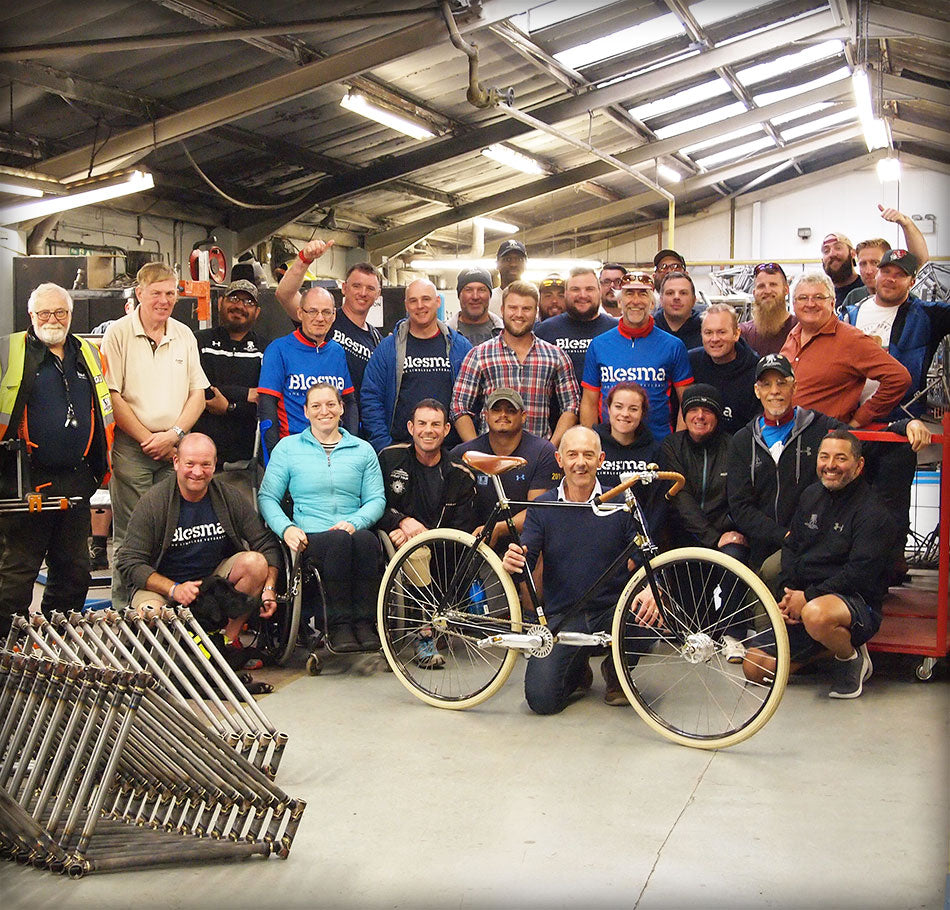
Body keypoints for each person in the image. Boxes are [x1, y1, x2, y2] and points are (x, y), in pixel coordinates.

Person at [501, 426, 661, 713]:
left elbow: (650, 556)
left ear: (600, 460)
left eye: (588, 455)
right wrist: (513, 562)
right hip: (564, 616)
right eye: (572, 454)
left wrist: (652, 587)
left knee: (649, 608)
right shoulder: (543, 506)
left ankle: (616, 672)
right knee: (541, 701)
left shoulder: (623, 502)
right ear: (559, 460)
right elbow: (526, 557)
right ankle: (577, 669)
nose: (580, 462)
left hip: (614, 610)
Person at [742, 431, 898, 699]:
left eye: (841, 458)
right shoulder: (810, 496)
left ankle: (849, 656)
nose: (830, 465)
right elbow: (792, 547)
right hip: (806, 598)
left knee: (816, 614)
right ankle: (828, 648)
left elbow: (859, 574)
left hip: (853, 601)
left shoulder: (873, 513)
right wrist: (789, 594)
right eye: (824, 457)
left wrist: (808, 599)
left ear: (859, 465)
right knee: (755, 669)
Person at [0, 283, 114, 636]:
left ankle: (55, 645)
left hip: (77, 479)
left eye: (60, 312)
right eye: (44, 313)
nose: (53, 319)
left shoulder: (88, 354)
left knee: (75, 570)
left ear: (70, 315)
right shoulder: (8, 350)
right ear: (31, 316)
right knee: (18, 571)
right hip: (24, 480)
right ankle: (7, 647)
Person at [115, 432, 280, 659]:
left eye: (205, 465)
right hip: (162, 587)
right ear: (176, 463)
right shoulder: (153, 502)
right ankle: (172, 655)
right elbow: (128, 562)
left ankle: (226, 642)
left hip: (211, 583)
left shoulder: (228, 497)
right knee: (150, 613)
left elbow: (265, 544)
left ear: (214, 465)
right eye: (190, 464)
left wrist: (269, 588)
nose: (197, 472)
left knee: (256, 562)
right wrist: (174, 589)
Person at [101, 262, 208, 609]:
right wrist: (149, 437)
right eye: (156, 293)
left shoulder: (184, 334)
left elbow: (198, 393)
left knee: (174, 530)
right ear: (139, 293)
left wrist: (175, 435)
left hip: (176, 447)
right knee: (132, 534)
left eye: (170, 293)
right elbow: (111, 395)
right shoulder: (117, 334)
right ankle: (124, 613)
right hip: (134, 448)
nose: (164, 300)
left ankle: (165, 608)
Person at [844, 249, 950, 580]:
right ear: (874, 274)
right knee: (847, 497)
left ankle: (889, 569)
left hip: (901, 422)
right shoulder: (848, 312)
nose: (889, 278)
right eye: (885, 270)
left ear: (911, 281)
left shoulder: (927, 315)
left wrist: (905, 223)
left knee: (890, 500)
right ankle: (851, 571)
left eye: (899, 274)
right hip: (851, 421)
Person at [258, 383, 385, 653]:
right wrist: (286, 528)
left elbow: (376, 499)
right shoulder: (288, 448)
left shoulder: (363, 450)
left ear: (341, 408)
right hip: (310, 536)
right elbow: (267, 498)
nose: (324, 411)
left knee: (367, 542)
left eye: (330, 404)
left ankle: (365, 623)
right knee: (339, 541)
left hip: (353, 529)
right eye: (316, 406)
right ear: (305, 412)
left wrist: (355, 522)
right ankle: (337, 625)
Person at [378, 399, 478, 668]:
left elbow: (462, 529)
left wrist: (422, 535)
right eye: (421, 423)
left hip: (444, 548)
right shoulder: (389, 459)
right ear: (411, 427)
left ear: (447, 430)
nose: (428, 430)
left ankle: (445, 618)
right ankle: (424, 634)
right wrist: (399, 522)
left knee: (429, 551)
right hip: (393, 541)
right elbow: (373, 504)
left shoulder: (461, 474)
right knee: (417, 554)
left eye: (435, 424)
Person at [659, 384, 747, 661]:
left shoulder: (734, 445)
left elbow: (738, 496)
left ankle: (734, 634)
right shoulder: (671, 445)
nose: (699, 416)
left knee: (735, 555)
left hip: (724, 535)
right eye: (693, 410)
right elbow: (678, 497)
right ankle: (706, 631)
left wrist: (723, 532)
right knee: (696, 626)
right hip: (684, 537)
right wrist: (710, 537)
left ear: (718, 416)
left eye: (707, 410)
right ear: (684, 415)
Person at [452, 280, 579, 447]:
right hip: (491, 457)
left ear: (536, 312)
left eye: (526, 308)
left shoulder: (556, 356)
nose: (519, 314)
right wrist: (478, 450)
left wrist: (550, 449)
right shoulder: (479, 355)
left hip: (539, 458)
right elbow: (458, 406)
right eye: (513, 308)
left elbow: (572, 405)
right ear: (503, 310)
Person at [780, 271, 910, 428]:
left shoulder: (851, 339)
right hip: (790, 436)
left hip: (826, 442)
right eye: (802, 298)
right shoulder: (793, 335)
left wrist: (858, 421)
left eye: (819, 297)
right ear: (794, 304)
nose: (810, 303)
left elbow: (899, 378)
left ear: (832, 303)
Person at [580, 269, 693, 443]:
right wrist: (590, 445)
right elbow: (589, 402)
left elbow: (686, 402)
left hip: (658, 446)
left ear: (653, 303)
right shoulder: (598, 345)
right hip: (609, 446)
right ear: (619, 301)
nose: (635, 301)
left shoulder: (673, 346)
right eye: (629, 293)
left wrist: (677, 447)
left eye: (643, 294)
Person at [361, 278, 472, 452]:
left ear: (437, 302)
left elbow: (473, 400)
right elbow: (371, 398)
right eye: (413, 301)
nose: (420, 305)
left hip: (450, 453)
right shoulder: (388, 349)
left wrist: (466, 448)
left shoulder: (460, 347)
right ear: (406, 305)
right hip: (402, 450)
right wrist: (385, 446)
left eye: (426, 299)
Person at [451, 388, 561, 548]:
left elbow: (538, 511)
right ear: (486, 415)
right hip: (472, 544)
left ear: (523, 416)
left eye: (511, 410)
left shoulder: (543, 452)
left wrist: (498, 528)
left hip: (525, 544)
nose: (503, 415)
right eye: (496, 409)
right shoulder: (463, 453)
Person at [258, 285, 357, 459]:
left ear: (334, 315)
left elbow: (349, 402)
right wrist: (274, 458)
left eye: (326, 312)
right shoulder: (278, 349)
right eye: (312, 311)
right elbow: (267, 406)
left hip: (334, 452)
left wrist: (351, 445)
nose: (320, 318)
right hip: (293, 450)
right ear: (300, 313)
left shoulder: (337, 352)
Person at [275, 240, 384, 398]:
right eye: (356, 286)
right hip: (317, 416)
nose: (363, 293)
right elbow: (284, 294)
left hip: (354, 419)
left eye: (370, 288)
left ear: (378, 294)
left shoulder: (377, 340)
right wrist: (304, 260)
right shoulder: (323, 318)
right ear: (344, 288)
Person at [193, 279, 266, 466]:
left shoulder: (265, 349)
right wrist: (245, 393)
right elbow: (201, 390)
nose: (240, 306)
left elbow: (264, 401)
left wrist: (229, 407)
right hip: (198, 457)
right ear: (220, 303)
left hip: (245, 460)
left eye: (248, 302)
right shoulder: (198, 342)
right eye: (233, 298)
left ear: (257, 312)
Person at [535, 267, 617, 388]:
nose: (582, 295)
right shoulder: (544, 331)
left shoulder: (616, 330)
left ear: (599, 292)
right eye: (575, 289)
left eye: (589, 289)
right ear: (566, 293)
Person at [840, 205, 931, 311]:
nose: (868, 271)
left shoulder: (905, 298)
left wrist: (906, 223)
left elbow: (919, 260)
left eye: (875, 263)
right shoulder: (854, 296)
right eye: (863, 264)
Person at [689, 303, 760, 435]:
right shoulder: (692, 362)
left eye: (721, 332)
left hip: (740, 446)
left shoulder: (755, 370)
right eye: (708, 332)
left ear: (736, 333)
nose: (714, 339)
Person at [739, 262, 797, 356]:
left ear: (786, 290)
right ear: (754, 293)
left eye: (773, 284)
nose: (767, 291)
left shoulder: (799, 328)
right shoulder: (744, 334)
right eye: (761, 286)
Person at [447, 267, 503, 345]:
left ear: (490, 295)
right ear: (459, 295)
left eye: (482, 290)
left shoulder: (505, 333)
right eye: (468, 290)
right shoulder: (445, 334)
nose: (475, 297)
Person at [655, 271, 702, 350]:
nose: (676, 297)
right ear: (661, 300)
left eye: (683, 293)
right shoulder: (649, 331)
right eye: (670, 293)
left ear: (694, 300)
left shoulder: (707, 332)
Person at [820, 231, 864, 308]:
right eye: (826, 251)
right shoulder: (822, 295)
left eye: (838, 248)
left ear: (853, 253)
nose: (832, 254)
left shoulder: (868, 290)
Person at [490, 238, 527, 314]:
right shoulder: (488, 300)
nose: (513, 264)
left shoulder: (535, 299)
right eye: (508, 259)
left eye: (519, 259)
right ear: (497, 264)